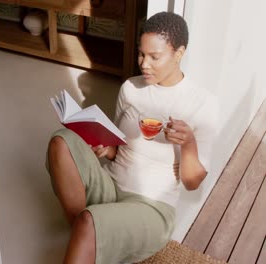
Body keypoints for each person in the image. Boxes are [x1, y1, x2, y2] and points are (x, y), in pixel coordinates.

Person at [46, 11, 219, 264]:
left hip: (151, 209)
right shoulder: (131, 88)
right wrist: (106, 150)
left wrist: (189, 143)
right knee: (61, 141)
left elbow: (193, 183)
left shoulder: (202, 103)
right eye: (141, 54)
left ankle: (92, 232)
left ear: (179, 54)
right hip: (112, 186)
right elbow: (119, 148)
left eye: (154, 57)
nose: (144, 63)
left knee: (89, 221)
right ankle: (92, 236)